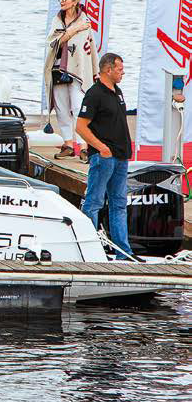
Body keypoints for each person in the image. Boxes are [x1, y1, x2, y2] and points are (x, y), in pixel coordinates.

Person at [75, 52, 134, 259]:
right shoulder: (94, 94)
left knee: (119, 204)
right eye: (119, 69)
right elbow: (80, 126)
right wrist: (101, 148)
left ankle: (123, 252)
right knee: (94, 202)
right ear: (108, 70)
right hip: (104, 157)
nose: (123, 73)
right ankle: (89, 250)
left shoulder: (117, 91)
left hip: (121, 156)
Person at [43, 0, 98, 158]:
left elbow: (87, 49)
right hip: (58, 68)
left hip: (77, 71)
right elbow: (54, 42)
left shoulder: (84, 21)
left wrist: (94, 71)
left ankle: (83, 146)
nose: (62, 1)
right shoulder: (57, 20)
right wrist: (73, 30)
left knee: (78, 106)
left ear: (75, 1)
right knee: (61, 108)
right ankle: (68, 144)